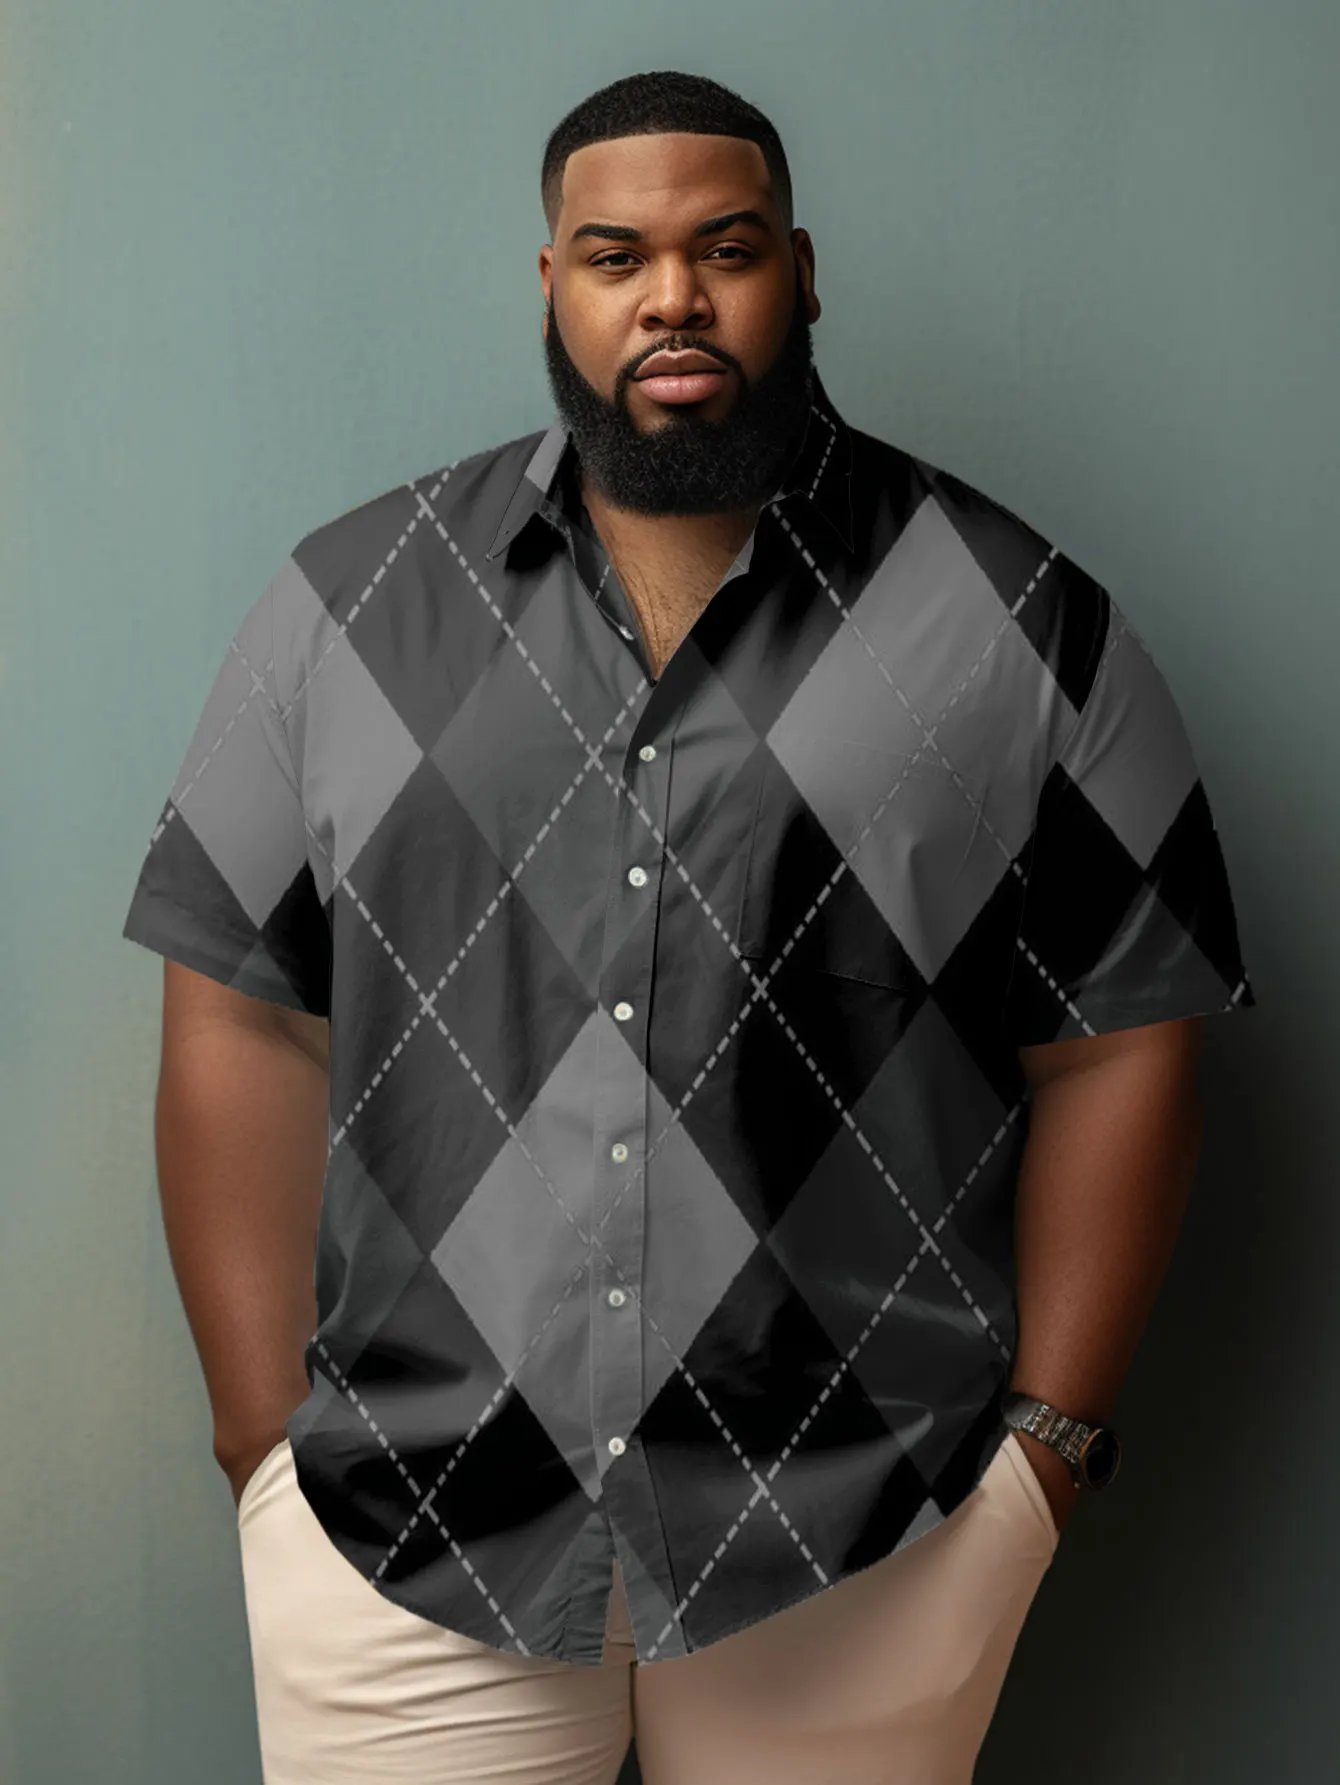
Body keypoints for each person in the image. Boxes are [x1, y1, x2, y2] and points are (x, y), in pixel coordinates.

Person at [121, 68, 1257, 1785]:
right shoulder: (346, 611)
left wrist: (1042, 1459)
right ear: (553, 283)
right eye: (617, 256)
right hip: (407, 1530)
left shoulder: (1020, 620)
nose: (674, 298)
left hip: (868, 1529)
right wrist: (261, 1454)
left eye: (726, 249)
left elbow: (1124, 1039)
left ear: (801, 272)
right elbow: (238, 1009)